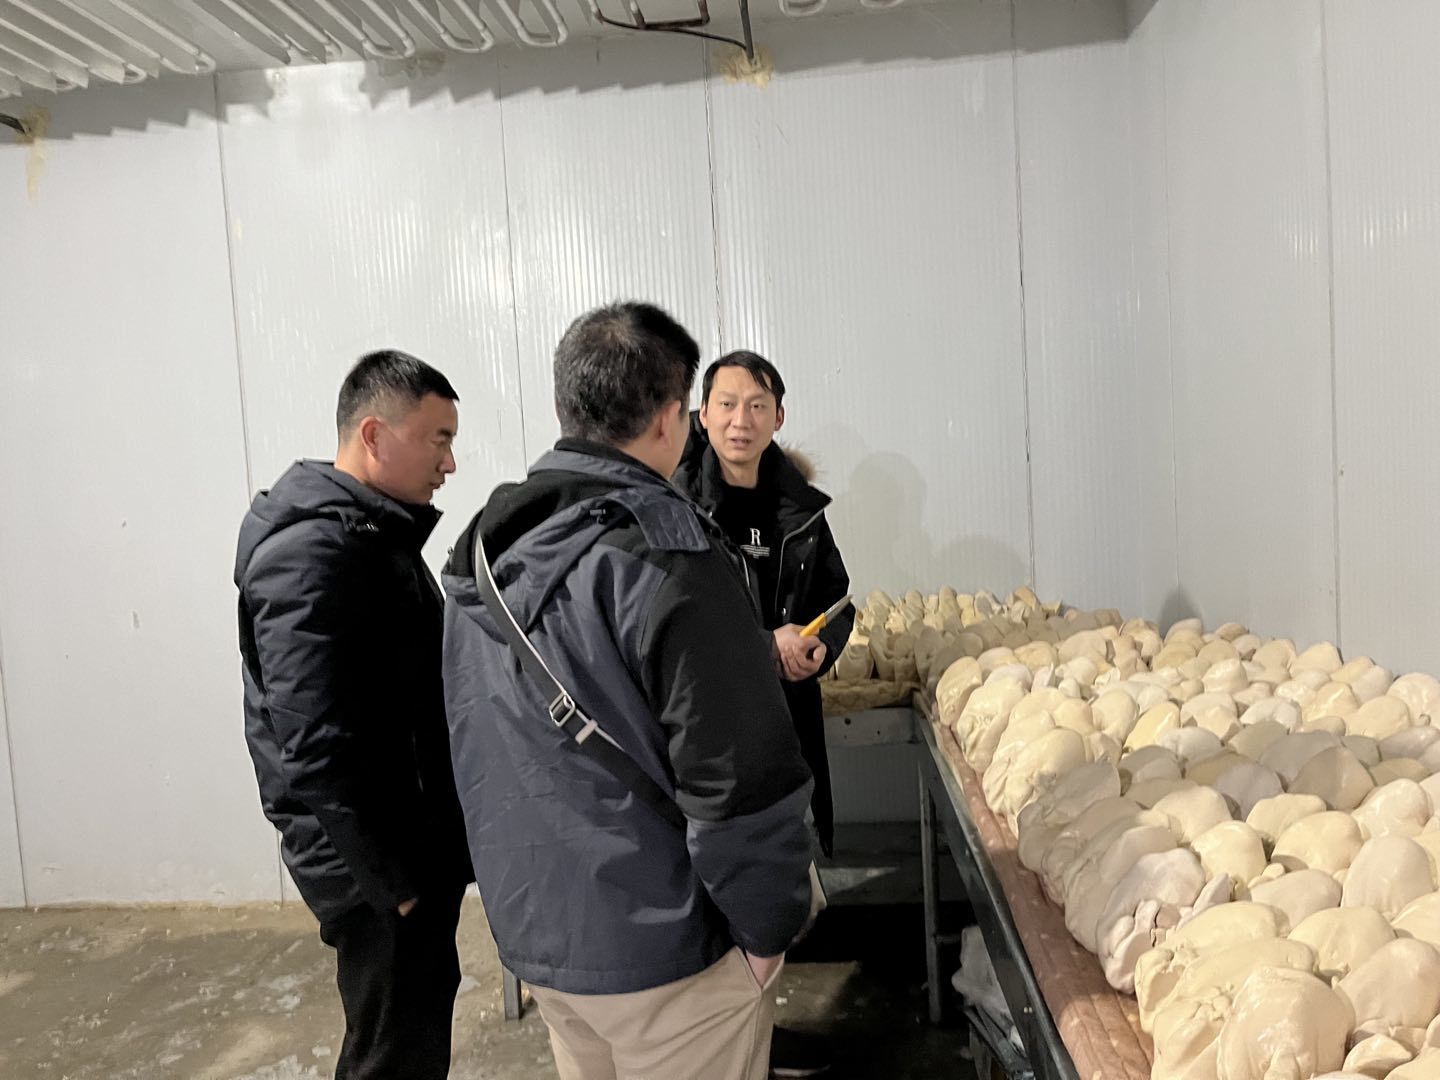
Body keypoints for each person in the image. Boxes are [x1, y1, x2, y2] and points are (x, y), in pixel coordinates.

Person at [442, 302, 818, 1080]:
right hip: (667, 956)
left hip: (542, 936)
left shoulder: (484, 550)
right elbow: (739, 777)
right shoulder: (667, 555)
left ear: (564, 407)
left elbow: (474, 743)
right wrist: (767, 934)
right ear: (673, 417)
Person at [235, 351, 474, 1080]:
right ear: (374, 434)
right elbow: (315, 745)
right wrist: (392, 881)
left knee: (413, 1028)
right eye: (438, 440)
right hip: (373, 868)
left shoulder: (368, 534)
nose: (450, 463)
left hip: (401, 849)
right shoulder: (310, 554)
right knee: (391, 1051)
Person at [673, 349, 854, 1078]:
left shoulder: (799, 511)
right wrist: (760, 647)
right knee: (712, 896)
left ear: (778, 416)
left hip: (784, 725)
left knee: (771, 892)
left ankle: (756, 1042)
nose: (740, 420)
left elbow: (838, 601)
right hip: (709, 733)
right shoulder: (677, 507)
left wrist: (819, 647)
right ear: (702, 415)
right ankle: (720, 1051)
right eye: (726, 404)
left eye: (756, 406)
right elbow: (676, 624)